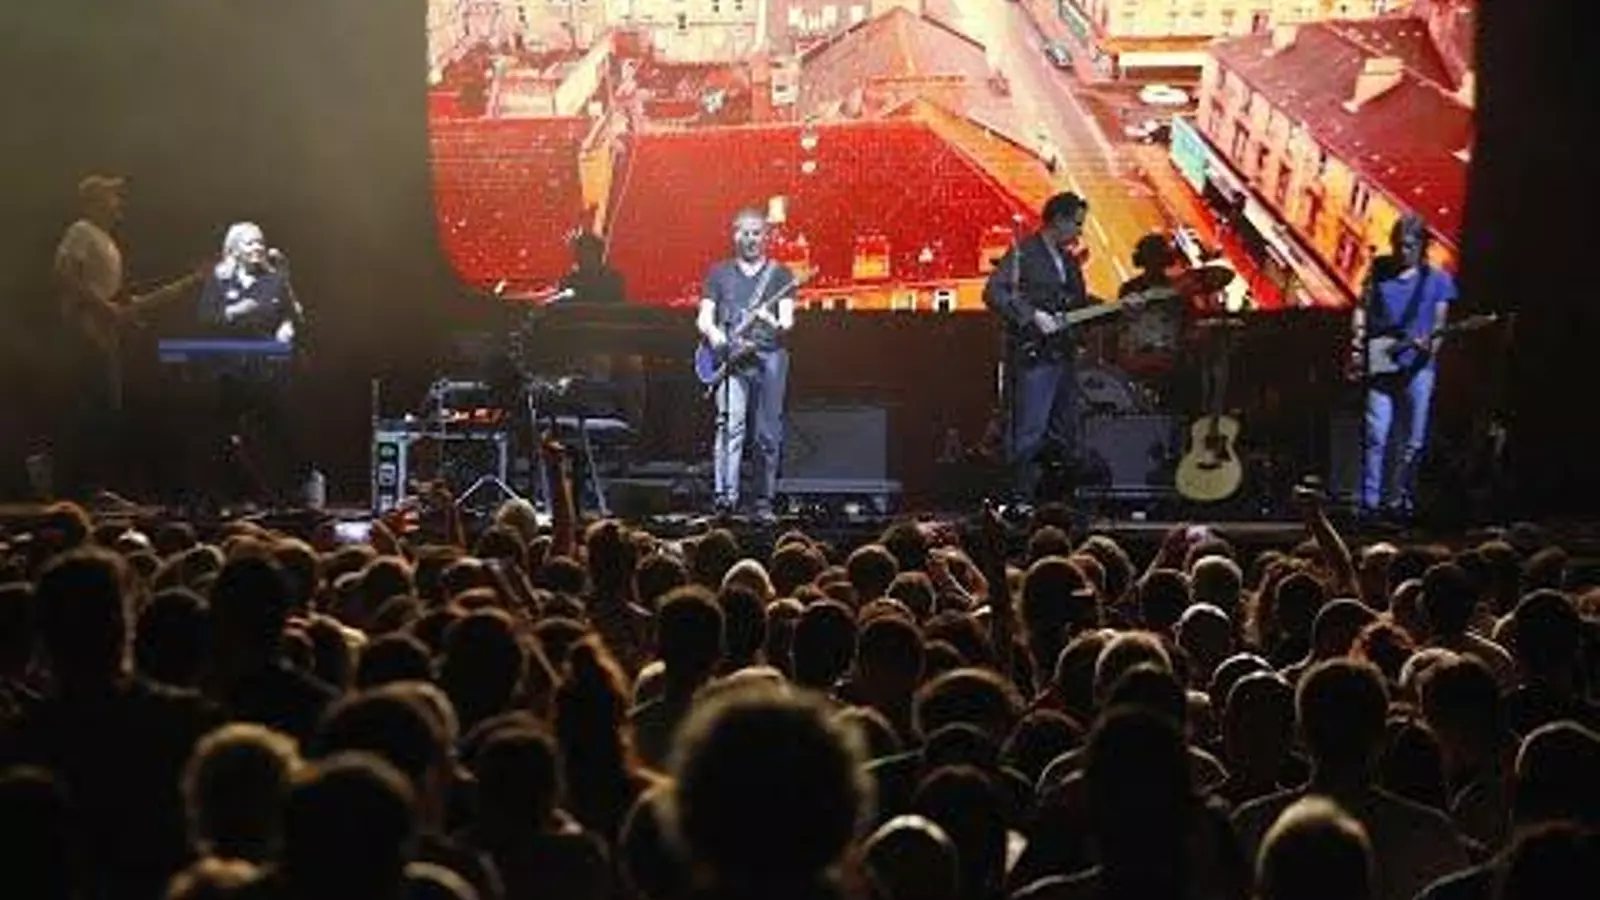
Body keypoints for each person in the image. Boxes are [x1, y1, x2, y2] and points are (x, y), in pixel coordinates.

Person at [52, 174, 205, 504]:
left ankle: (90, 486)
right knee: (93, 408)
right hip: (84, 330)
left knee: (105, 409)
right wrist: (104, 309)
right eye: (112, 196)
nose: (119, 203)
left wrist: (189, 282)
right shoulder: (81, 230)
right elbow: (64, 274)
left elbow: (116, 298)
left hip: (103, 334)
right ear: (94, 202)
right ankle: (77, 485)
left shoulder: (108, 242)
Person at [984, 192, 1129, 506]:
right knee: (1029, 431)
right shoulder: (1024, 253)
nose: (1079, 231)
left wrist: (1117, 309)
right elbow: (995, 291)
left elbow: (1079, 305)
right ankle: (1019, 500)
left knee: (1065, 431)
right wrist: (1032, 316)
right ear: (1058, 220)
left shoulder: (1069, 261)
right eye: (1076, 224)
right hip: (1034, 357)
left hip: (1064, 356)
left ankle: (1056, 500)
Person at [1352, 213, 1457, 519]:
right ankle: (1370, 504)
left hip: (1419, 368)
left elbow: (1440, 325)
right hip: (1381, 361)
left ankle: (1401, 503)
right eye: (1398, 244)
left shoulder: (1438, 280)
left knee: (1413, 440)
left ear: (1422, 246)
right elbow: (1361, 308)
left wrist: (1430, 347)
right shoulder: (1379, 270)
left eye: (1410, 245)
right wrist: (1358, 343)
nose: (1403, 251)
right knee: (1376, 434)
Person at [194, 221, 305, 505]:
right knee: (223, 432)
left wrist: (287, 321)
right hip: (227, 368)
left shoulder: (273, 279)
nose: (258, 247)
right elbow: (207, 318)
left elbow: (294, 317)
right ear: (234, 249)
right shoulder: (220, 279)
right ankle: (232, 493)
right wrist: (240, 310)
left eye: (260, 242)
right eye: (250, 242)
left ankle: (287, 491)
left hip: (265, 368)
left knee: (276, 427)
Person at [696, 208, 796, 519]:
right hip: (732, 360)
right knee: (729, 426)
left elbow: (787, 322)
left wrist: (770, 320)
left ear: (766, 237)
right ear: (735, 235)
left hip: (769, 357)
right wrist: (716, 337)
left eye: (757, 233)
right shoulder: (718, 273)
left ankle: (763, 501)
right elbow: (704, 318)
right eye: (745, 233)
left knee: (767, 432)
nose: (751, 239)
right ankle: (725, 498)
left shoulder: (781, 274)